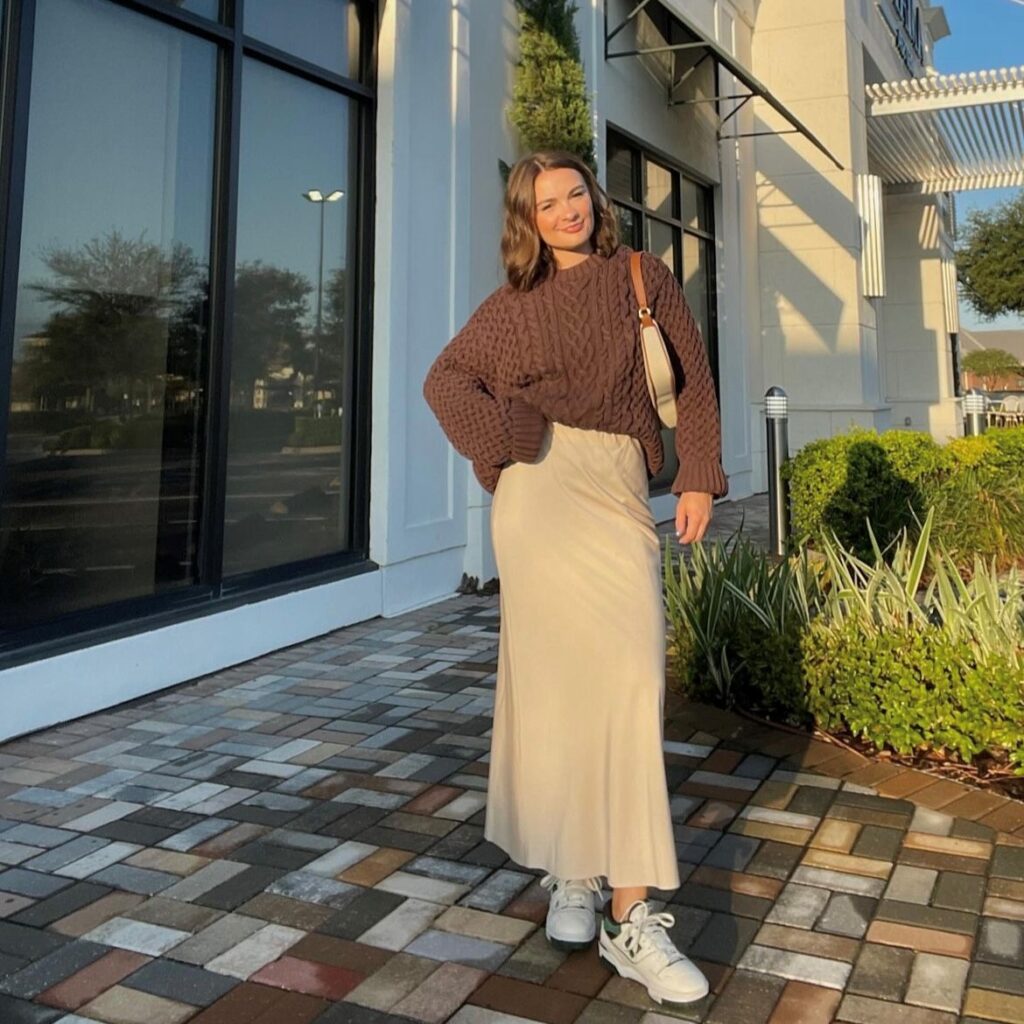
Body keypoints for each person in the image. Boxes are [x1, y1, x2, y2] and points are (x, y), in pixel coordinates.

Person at [423, 149, 727, 1007]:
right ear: (527, 220)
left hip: (617, 490)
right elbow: (444, 381)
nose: (567, 210)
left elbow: (693, 380)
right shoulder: (510, 306)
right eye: (547, 202)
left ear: (596, 197)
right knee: (558, 690)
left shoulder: (641, 275)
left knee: (630, 685)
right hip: (536, 499)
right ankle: (576, 872)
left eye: (576, 194)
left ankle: (631, 921)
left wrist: (697, 472)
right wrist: (509, 435)